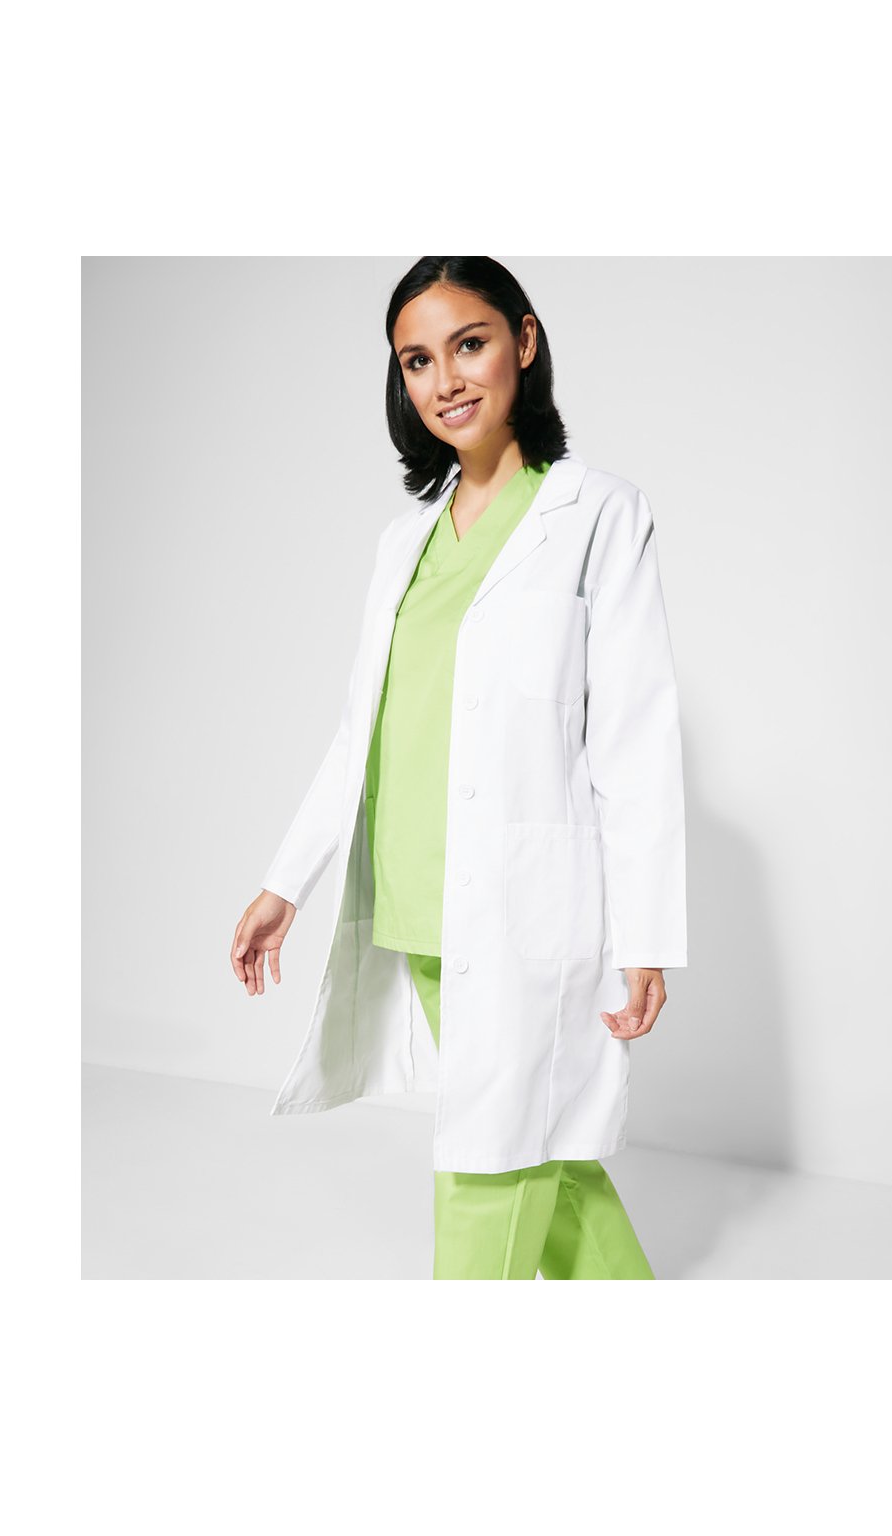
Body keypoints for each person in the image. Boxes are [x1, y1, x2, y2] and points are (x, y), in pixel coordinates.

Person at [230, 256, 687, 1280]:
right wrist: (284, 884)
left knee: (490, 1157)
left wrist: (647, 933)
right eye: (417, 360)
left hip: (527, 909)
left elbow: (635, 736)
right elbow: (361, 731)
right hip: (414, 900)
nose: (446, 379)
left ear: (523, 341)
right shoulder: (404, 542)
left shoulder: (598, 513)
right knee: (539, 1143)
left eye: (468, 344)